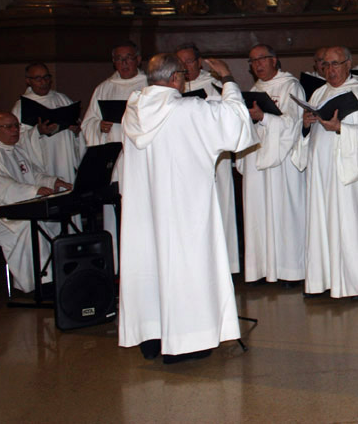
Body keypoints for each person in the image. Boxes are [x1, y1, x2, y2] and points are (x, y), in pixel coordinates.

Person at [118, 53, 256, 363]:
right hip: (184, 212)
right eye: (183, 73)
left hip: (146, 213)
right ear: (175, 78)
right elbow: (235, 124)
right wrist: (228, 80)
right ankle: (187, 342)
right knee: (186, 265)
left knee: (150, 265)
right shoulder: (189, 110)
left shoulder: (134, 107)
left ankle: (152, 336)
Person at [293, 46, 358, 298]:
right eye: (325, 65)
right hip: (321, 173)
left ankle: (353, 284)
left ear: (348, 64)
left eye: (335, 64)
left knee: (349, 224)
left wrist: (340, 127)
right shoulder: (319, 92)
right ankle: (323, 280)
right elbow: (307, 136)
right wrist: (306, 125)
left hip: (348, 173)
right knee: (321, 221)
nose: (330, 70)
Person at [0, 112, 71, 293]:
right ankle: (38, 285)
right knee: (28, 227)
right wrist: (34, 191)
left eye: (16, 125)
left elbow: (33, 174)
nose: (15, 130)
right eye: (9, 127)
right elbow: (1, 187)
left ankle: (57, 276)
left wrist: (53, 182)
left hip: (20, 206)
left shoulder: (16, 150)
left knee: (52, 222)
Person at [238, 44, 308, 285]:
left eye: (261, 59)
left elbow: (294, 123)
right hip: (257, 160)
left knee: (284, 213)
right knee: (259, 214)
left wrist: (265, 117)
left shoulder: (290, 86)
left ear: (274, 59)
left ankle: (290, 270)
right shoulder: (255, 90)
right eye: (252, 61)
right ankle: (262, 269)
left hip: (283, 163)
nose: (257, 64)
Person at [176, 42, 240, 273]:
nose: (184, 67)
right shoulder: (172, 90)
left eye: (189, 61)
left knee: (219, 208)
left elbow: (229, 117)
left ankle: (224, 265)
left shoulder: (213, 85)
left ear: (199, 61)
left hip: (214, 159)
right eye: (180, 63)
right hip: (186, 161)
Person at [82, 41, 147, 266]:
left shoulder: (148, 84)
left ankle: (145, 262)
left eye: (129, 57)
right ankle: (120, 264)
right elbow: (88, 122)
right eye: (119, 59)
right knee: (116, 212)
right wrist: (99, 127)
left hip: (141, 157)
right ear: (114, 62)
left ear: (138, 59)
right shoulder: (104, 88)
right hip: (115, 157)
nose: (124, 63)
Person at [11, 63, 85, 183]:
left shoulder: (62, 99)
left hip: (64, 160)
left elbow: (78, 127)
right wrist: (38, 132)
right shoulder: (21, 107)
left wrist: (77, 132)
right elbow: (16, 141)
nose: (43, 82)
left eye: (46, 77)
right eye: (38, 79)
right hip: (41, 166)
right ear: (28, 81)